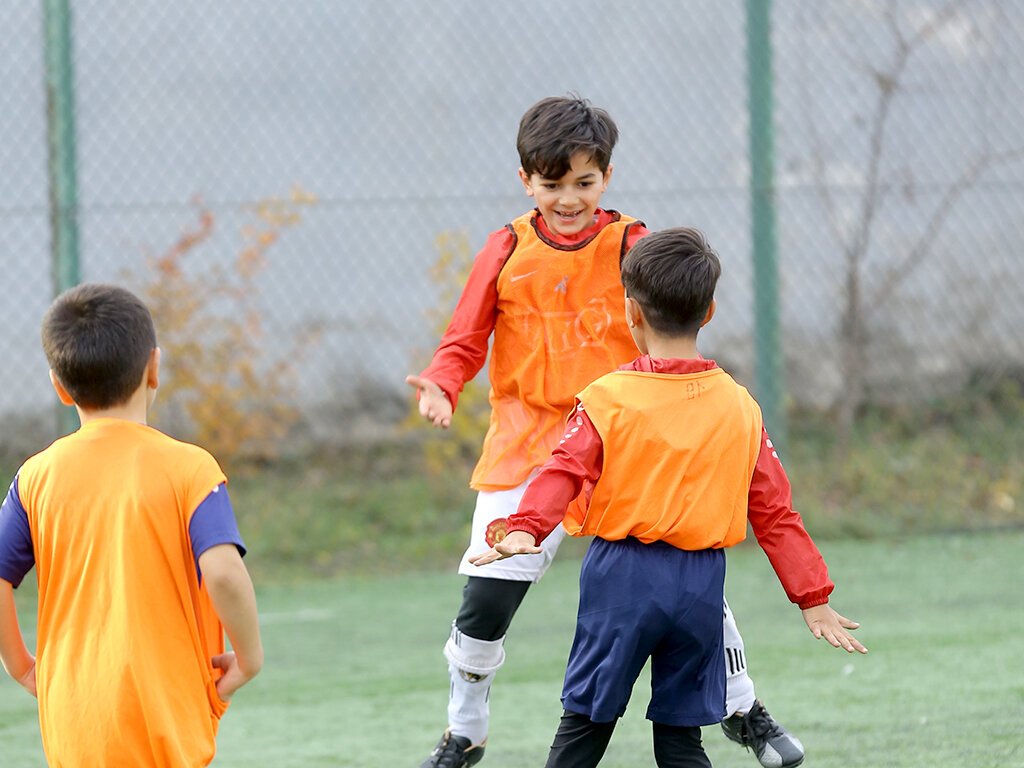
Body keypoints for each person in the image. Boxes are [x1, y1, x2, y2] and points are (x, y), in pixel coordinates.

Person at [407, 96, 807, 768]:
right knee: (485, 600)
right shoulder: (506, 249)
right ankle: (464, 731)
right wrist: (443, 383)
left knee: (684, 578)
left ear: (607, 178)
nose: (569, 199)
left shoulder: (633, 246)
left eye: (584, 182)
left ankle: (743, 709)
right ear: (526, 181)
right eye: (552, 184)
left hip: (623, 447)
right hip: (528, 448)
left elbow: (675, 318)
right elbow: (465, 336)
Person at [469, 227, 868, 768]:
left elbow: (563, 469)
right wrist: (812, 596)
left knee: (585, 725)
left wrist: (525, 527)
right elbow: (775, 513)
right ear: (709, 312)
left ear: (630, 312)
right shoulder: (740, 405)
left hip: (623, 579)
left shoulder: (607, 398)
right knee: (682, 740)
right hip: (701, 584)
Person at [0, 283, 263, 767]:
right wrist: (249, 658)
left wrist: (20, 665)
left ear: (59, 387)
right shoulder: (191, 469)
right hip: (166, 713)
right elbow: (224, 574)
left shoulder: (34, 477)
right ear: (154, 367)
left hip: (74, 719)